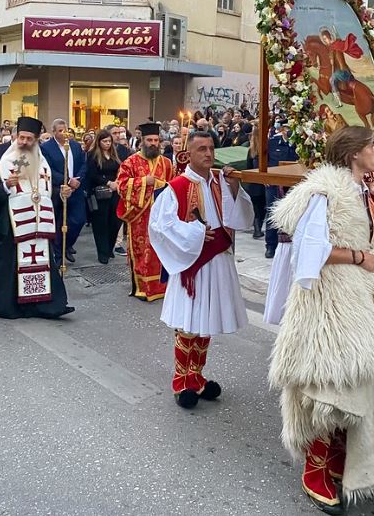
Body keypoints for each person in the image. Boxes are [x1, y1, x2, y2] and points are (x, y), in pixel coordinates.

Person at [267, 126, 374, 512]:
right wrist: (356, 257)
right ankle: (314, 469)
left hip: (364, 300)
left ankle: (342, 461)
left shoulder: (367, 194)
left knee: (362, 387)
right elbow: (309, 251)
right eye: (372, 147)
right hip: (332, 304)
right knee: (332, 388)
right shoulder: (325, 191)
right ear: (354, 153)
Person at [148, 131, 253, 409]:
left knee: (204, 322)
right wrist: (194, 234)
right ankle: (181, 380)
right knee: (189, 323)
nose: (208, 153)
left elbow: (240, 218)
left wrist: (232, 187)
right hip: (193, 263)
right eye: (201, 149)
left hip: (219, 259)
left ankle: (197, 377)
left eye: (211, 148)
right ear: (188, 154)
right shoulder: (177, 187)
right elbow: (159, 226)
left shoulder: (221, 180)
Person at [0, 116, 74, 320]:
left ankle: (43, 306)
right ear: (16, 135)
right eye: (21, 137)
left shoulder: (42, 159)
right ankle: (10, 306)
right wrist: (6, 186)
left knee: (41, 261)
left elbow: (44, 189)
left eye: (29, 139)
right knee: (11, 265)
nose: (24, 142)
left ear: (36, 140)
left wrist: (61, 193)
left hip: (38, 223)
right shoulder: (2, 155)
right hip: (12, 224)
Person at [114, 122, 174, 297]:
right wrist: (142, 182)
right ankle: (143, 288)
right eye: (149, 140)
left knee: (161, 250)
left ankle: (162, 286)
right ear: (142, 140)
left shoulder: (167, 163)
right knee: (142, 252)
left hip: (161, 215)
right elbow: (121, 185)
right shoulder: (130, 162)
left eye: (156, 140)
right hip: (140, 215)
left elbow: (174, 185)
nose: (153, 143)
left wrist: (164, 185)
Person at [41, 119, 87, 267]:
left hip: (76, 189)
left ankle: (67, 245)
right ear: (54, 131)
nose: (64, 133)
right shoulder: (46, 148)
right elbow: (48, 169)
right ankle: (58, 254)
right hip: (58, 190)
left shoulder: (74, 145)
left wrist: (78, 179)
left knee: (78, 220)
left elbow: (83, 164)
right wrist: (67, 181)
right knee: (60, 223)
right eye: (60, 130)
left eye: (65, 129)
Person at [86, 130, 123, 265]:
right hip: (100, 192)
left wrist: (117, 181)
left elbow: (119, 169)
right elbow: (92, 174)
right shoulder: (93, 155)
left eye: (109, 141)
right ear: (99, 142)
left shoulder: (114, 155)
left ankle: (109, 247)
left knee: (115, 221)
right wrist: (108, 182)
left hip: (114, 192)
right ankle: (102, 252)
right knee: (101, 223)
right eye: (104, 141)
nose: (107, 144)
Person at [265, 123, 299, 258]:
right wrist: (265, 176)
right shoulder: (272, 143)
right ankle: (270, 245)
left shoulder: (299, 145)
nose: (289, 131)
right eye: (286, 128)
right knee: (272, 212)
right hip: (274, 184)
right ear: (281, 130)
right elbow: (262, 159)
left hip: (293, 185)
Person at [245, 122, 267, 239]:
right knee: (262, 206)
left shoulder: (251, 150)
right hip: (263, 183)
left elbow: (248, 167)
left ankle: (257, 228)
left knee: (256, 207)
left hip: (253, 183)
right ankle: (258, 229)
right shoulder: (266, 149)